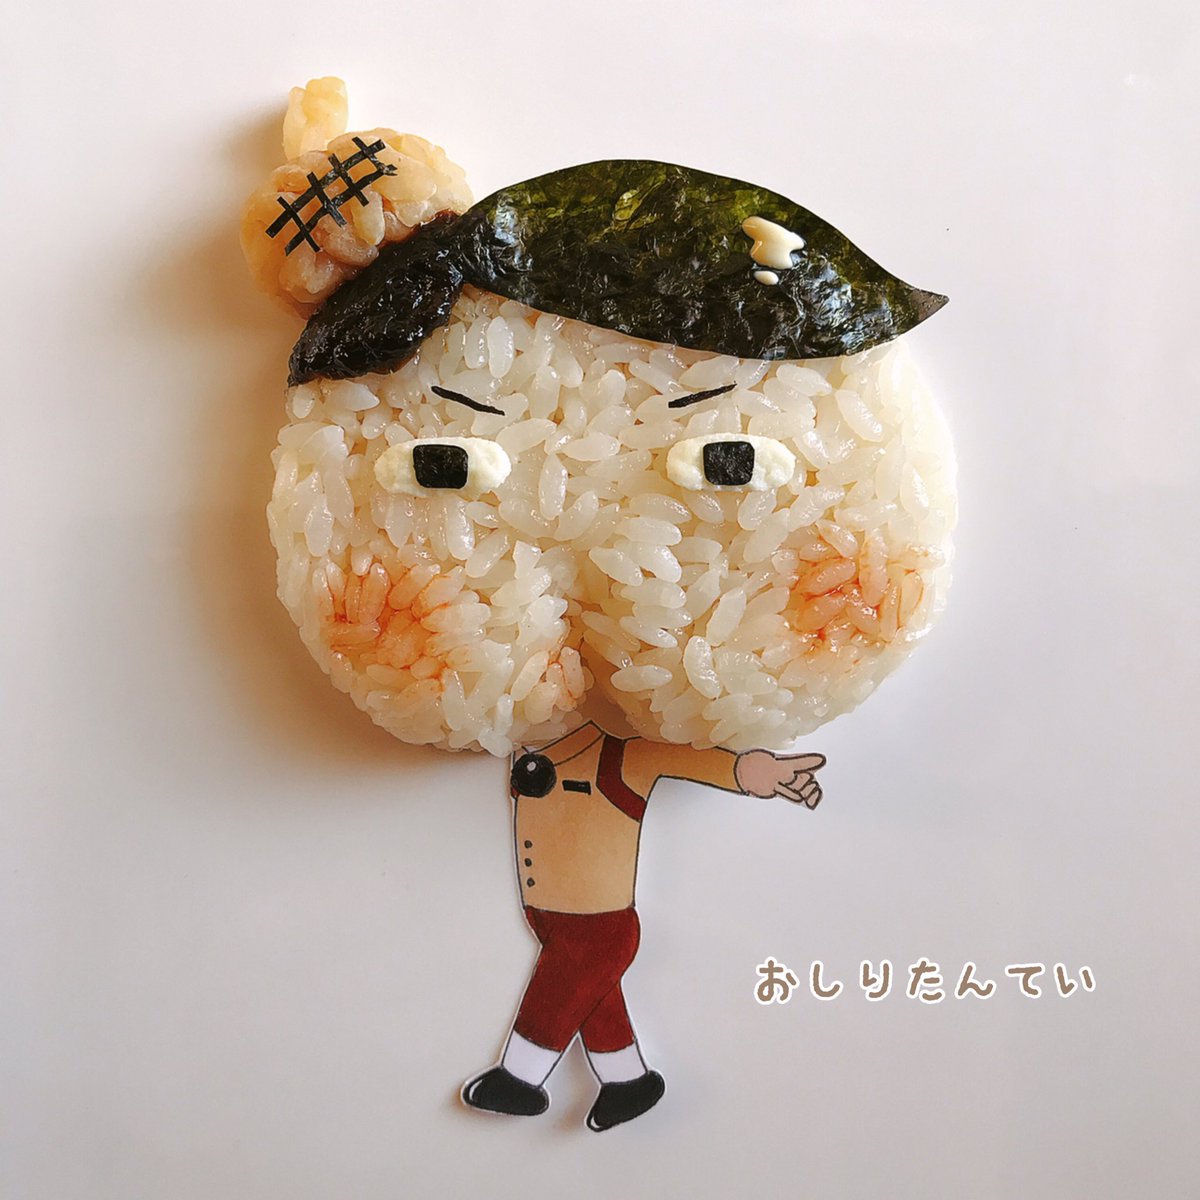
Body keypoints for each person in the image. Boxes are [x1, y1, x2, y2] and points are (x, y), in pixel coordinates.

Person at [462, 721, 825, 1131]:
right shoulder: (522, 750)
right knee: (598, 1005)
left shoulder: (615, 757)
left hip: (601, 926)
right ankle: (629, 1083)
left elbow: (672, 757)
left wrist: (743, 771)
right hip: (547, 918)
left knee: (554, 995)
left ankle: (518, 1078)